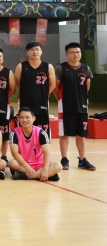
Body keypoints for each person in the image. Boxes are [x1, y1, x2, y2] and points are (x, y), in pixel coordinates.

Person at [55, 42, 96, 171]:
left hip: (82, 106)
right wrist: (61, 100)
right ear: (66, 54)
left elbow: (87, 87)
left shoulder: (86, 68)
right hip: (65, 106)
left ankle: (82, 160)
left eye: (78, 52)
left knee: (81, 134)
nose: (75, 54)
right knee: (64, 134)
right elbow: (56, 87)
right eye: (72, 52)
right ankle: (64, 159)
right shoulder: (61, 68)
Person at [15, 41, 55, 138]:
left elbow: (53, 85)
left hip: (42, 102)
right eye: (32, 50)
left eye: (37, 49)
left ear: (41, 52)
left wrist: (44, 94)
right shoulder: (21, 66)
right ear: (27, 52)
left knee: (42, 131)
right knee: (25, 127)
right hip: (25, 101)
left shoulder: (48, 67)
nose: (35, 52)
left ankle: (42, 147)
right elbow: (18, 83)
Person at [8, 107, 61, 181]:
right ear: (18, 119)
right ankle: (47, 175)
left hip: (40, 164)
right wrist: (26, 166)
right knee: (12, 163)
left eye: (27, 117)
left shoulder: (41, 133)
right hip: (23, 164)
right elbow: (14, 153)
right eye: (22, 117)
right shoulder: (14, 133)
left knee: (58, 166)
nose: (25, 120)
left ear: (33, 118)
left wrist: (45, 169)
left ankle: (28, 176)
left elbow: (46, 153)